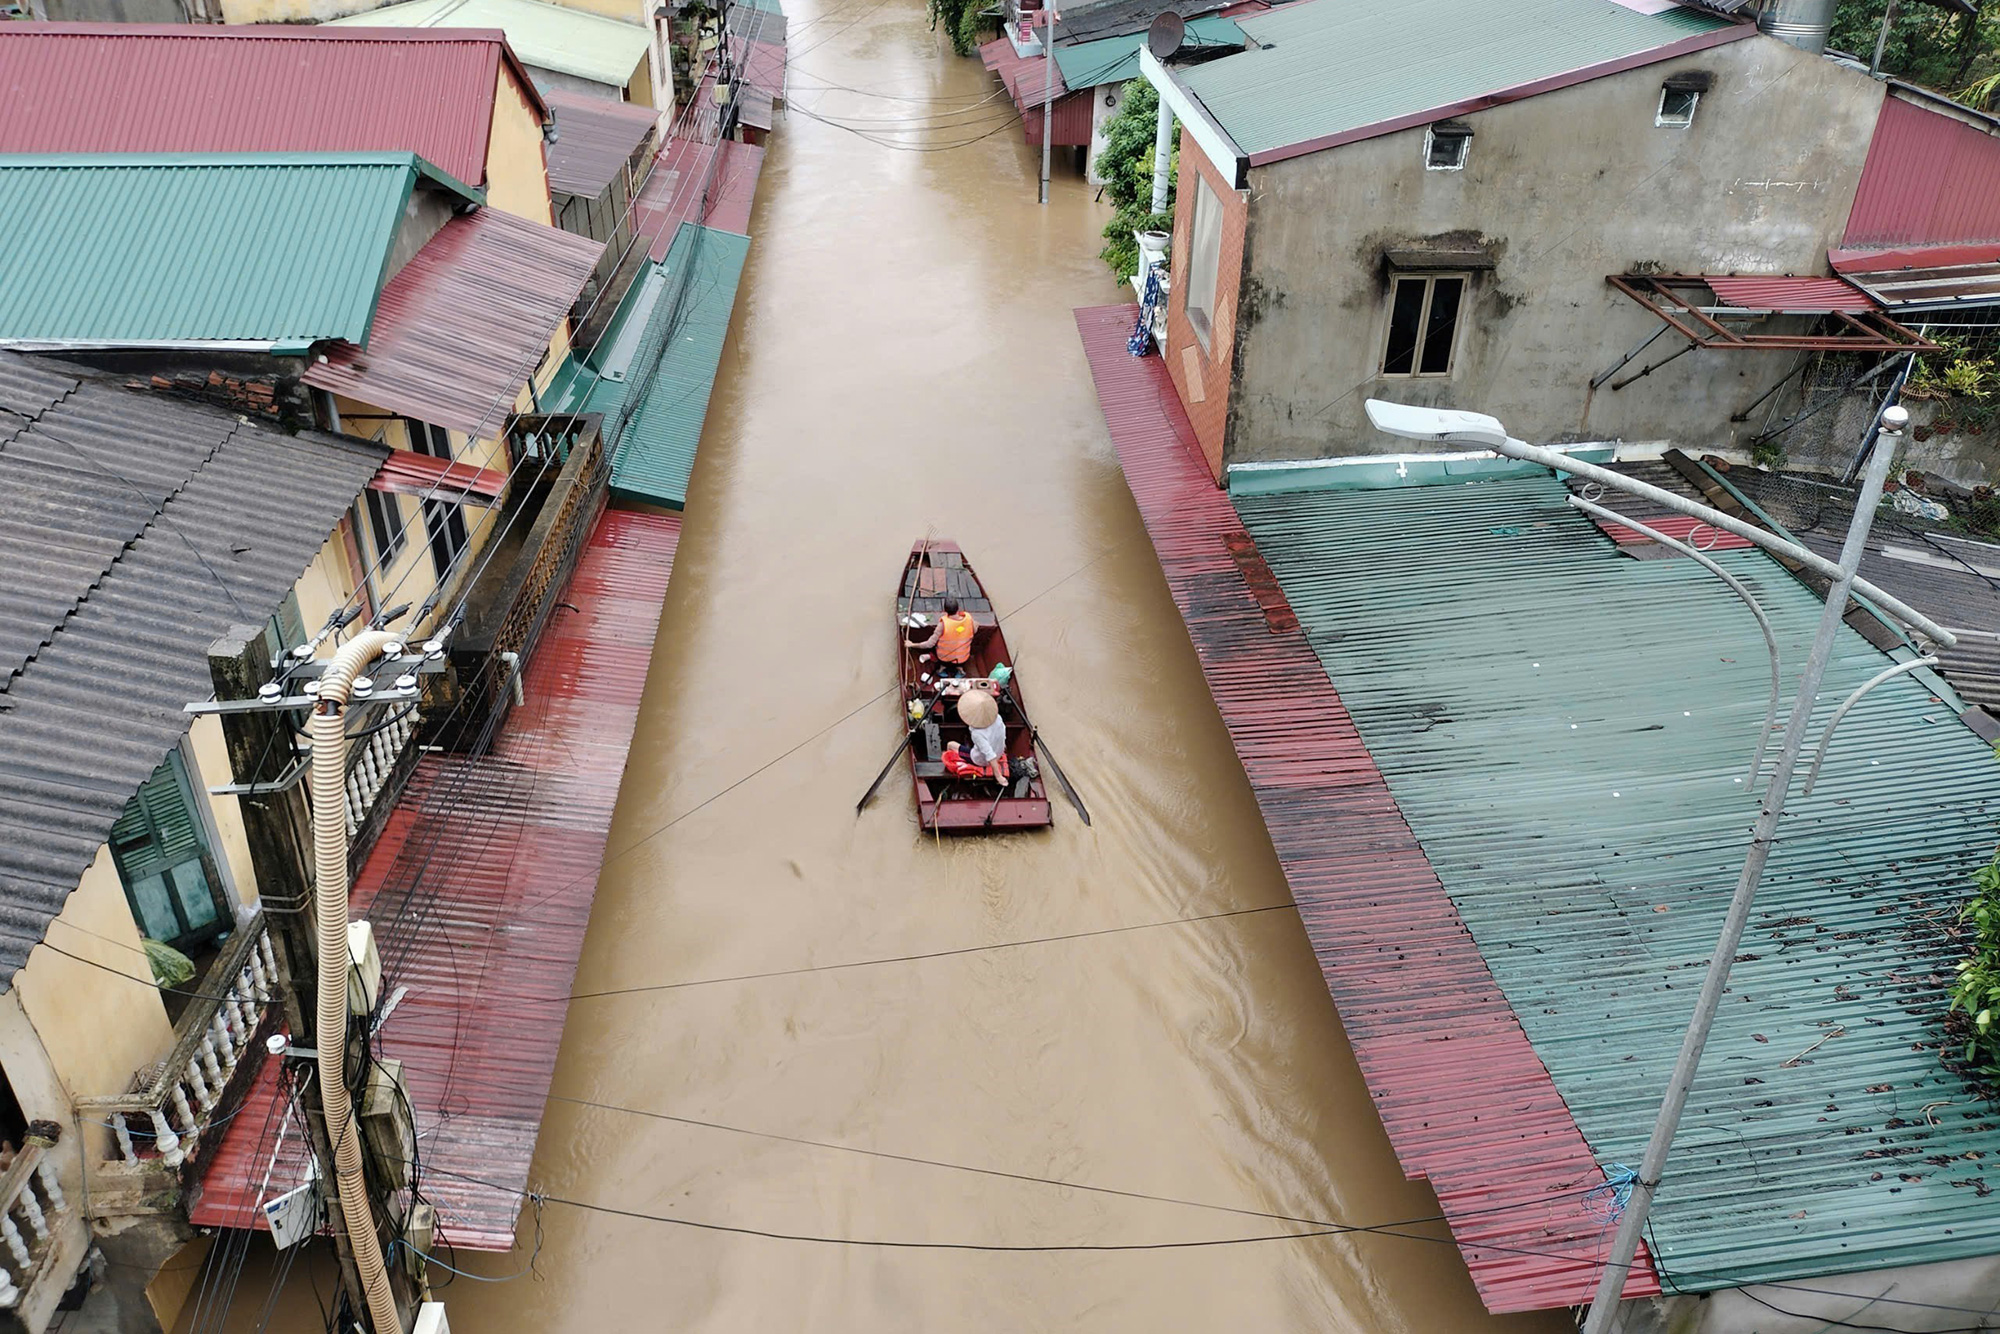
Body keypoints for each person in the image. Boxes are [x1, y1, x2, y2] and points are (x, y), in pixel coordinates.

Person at [910, 596, 976, 674]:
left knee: (935, 648)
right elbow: (974, 630)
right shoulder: (969, 620)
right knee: (959, 659)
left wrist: (912, 644)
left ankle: (942, 669)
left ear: (945, 610)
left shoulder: (943, 625)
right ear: (958, 608)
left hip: (944, 659)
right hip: (963, 659)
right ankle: (959, 670)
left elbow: (929, 644)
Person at [957, 686, 1008, 784]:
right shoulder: (997, 718)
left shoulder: (977, 734)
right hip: (999, 751)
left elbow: (990, 755)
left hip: (981, 760)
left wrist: (999, 776)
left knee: (951, 745)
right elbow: (1003, 733)